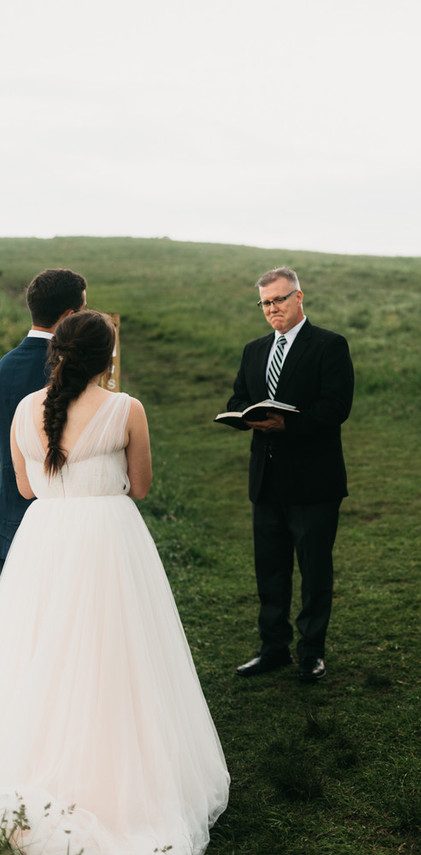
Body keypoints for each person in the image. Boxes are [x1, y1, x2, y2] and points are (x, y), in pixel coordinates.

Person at [0, 311, 229, 854]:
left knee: (37, 652)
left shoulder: (24, 409)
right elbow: (142, 486)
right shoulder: (126, 408)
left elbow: (27, 489)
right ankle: (112, 774)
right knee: (114, 656)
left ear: (56, 354)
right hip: (105, 539)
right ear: (107, 358)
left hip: (43, 541)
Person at [225, 267, 354, 682]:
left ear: (299, 297)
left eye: (279, 299)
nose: (272, 308)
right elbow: (239, 395)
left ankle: (312, 652)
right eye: (265, 302)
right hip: (265, 478)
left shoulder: (330, 345)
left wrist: (289, 425)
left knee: (315, 571)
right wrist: (244, 416)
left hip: (315, 481)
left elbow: (337, 407)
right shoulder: (254, 349)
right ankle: (272, 648)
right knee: (271, 570)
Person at [0, 268, 87, 573]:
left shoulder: (3, 367)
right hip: (63, 514)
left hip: (6, 509)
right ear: (68, 316)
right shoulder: (73, 373)